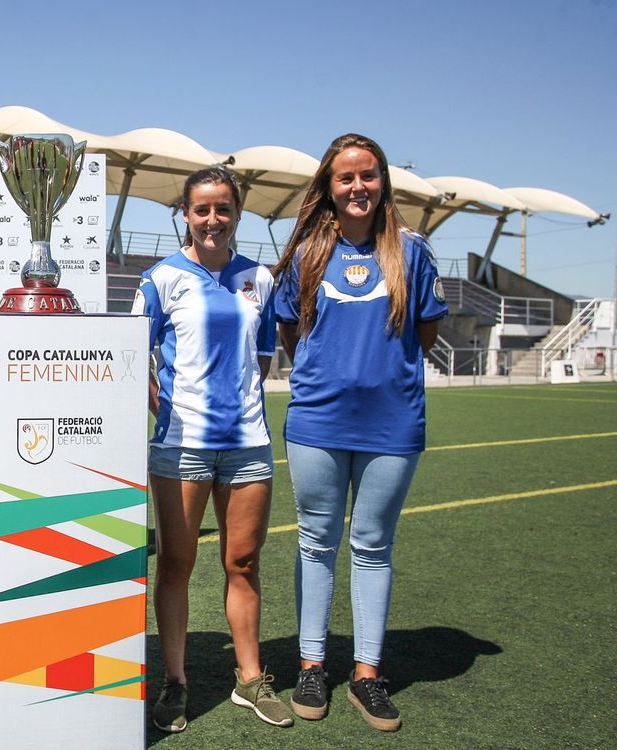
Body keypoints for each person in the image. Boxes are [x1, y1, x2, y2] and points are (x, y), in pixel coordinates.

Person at [272, 133, 448, 732]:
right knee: (316, 543)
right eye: (345, 177)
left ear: (382, 183)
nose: (357, 187)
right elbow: (294, 336)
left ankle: (368, 673)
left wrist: (382, 377)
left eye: (367, 175)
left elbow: (422, 335)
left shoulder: (413, 250)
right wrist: (335, 377)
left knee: (374, 545)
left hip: (392, 423)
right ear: (328, 186)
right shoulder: (305, 255)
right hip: (318, 421)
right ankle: (313, 664)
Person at [134, 166, 290, 733]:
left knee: (243, 563)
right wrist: (169, 410)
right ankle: (175, 683)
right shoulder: (159, 279)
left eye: (223, 208)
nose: (212, 219)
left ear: (236, 215)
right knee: (176, 563)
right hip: (182, 447)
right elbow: (136, 360)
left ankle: (250, 678)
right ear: (186, 214)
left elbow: (264, 358)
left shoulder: (261, 279)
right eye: (202, 209)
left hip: (248, 447)